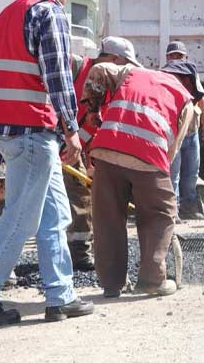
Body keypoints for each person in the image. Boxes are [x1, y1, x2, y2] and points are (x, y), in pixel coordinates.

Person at [0, 0, 94, 326]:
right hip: (33, 129)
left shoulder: (7, 15)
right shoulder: (49, 13)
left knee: (55, 215)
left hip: (8, 130)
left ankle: (60, 295)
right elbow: (57, 77)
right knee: (21, 218)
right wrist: (71, 129)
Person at [81, 37, 194, 298]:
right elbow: (173, 147)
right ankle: (152, 279)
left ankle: (111, 284)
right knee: (161, 212)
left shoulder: (131, 72)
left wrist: (92, 111)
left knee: (107, 218)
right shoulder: (186, 100)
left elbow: (98, 71)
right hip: (148, 155)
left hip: (107, 149)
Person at [62, 37, 139, 271]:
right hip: (58, 144)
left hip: (78, 149)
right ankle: (79, 254)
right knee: (78, 198)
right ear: (114, 59)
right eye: (124, 64)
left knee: (80, 195)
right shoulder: (75, 68)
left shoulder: (108, 84)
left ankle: (74, 250)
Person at [161, 41, 204, 220]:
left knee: (191, 173)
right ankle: (173, 211)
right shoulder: (163, 76)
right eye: (173, 56)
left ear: (186, 58)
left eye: (179, 56)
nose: (176, 59)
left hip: (191, 131)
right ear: (167, 57)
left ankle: (189, 207)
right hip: (173, 134)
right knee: (173, 174)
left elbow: (201, 98)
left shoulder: (191, 74)